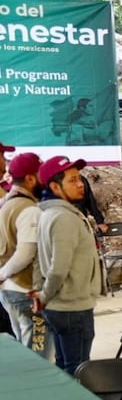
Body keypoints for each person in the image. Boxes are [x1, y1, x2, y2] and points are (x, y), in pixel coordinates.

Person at [32, 156, 104, 376]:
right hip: (72, 307)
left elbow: (38, 260)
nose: (80, 184)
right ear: (55, 187)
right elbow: (59, 268)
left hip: (62, 306)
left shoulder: (50, 213)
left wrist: (42, 294)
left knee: (65, 367)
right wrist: (44, 295)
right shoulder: (64, 218)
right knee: (78, 372)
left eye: (79, 179)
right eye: (72, 180)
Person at [0, 153, 50, 357]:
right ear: (30, 178)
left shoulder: (6, 203)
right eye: (40, 174)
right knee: (38, 354)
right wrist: (2, 274)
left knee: (24, 347)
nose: (44, 180)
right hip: (25, 289)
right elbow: (26, 253)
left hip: (10, 289)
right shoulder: (29, 210)